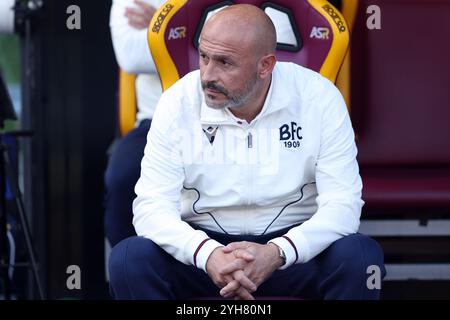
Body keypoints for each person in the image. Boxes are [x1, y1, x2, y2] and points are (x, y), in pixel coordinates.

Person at [109, 4, 386, 300]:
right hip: (204, 253)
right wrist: (208, 254)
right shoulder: (178, 101)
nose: (207, 75)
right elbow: (151, 208)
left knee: (361, 256)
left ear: (265, 65)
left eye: (225, 63)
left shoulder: (319, 98)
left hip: (291, 249)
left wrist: (279, 252)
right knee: (129, 259)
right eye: (204, 57)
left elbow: (343, 205)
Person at [105, 0, 165, 247]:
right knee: (122, 177)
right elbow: (131, 57)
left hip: (233, 117)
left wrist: (159, 24)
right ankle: (130, 273)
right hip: (155, 121)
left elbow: (254, 50)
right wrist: (194, 30)